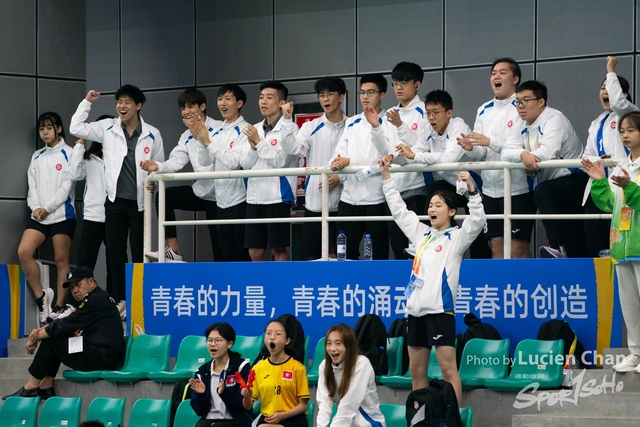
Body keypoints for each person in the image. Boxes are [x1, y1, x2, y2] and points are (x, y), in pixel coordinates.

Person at [379, 157, 485, 406]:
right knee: (417, 374)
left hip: (440, 313)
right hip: (414, 313)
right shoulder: (421, 234)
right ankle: (420, 419)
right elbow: (399, 211)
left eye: (438, 205)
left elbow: (478, 220)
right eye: (430, 205)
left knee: (449, 371)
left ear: (451, 211)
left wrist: (471, 188)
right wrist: (386, 177)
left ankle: (455, 419)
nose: (432, 209)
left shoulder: (457, 239)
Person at [70, 85, 165, 320]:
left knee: (139, 251)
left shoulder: (152, 133)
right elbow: (75, 128)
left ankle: (141, 297)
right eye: (119, 102)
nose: (122, 106)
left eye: (127, 102)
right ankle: (119, 298)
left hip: (139, 202)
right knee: (115, 251)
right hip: (113, 202)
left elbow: (159, 165)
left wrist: (153, 178)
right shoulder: (107, 128)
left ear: (138, 105)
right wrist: (87, 102)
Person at [2, 266, 125, 401]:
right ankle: (46, 385)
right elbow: (65, 322)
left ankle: (31, 386)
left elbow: (66, 324)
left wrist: (36, 337)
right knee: (55, 336)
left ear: (91, 282)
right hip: (99, 354)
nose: (75, 290)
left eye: (78, 285)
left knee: (54, 338)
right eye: (72, 288)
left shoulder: (96, 300)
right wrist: (37, 332)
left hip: (102, 358)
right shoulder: (96, 298)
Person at [397, 90, 491, 259]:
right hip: (451, 184)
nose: (431, 117)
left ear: (449, 113)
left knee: (476, 232)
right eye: (428, 113)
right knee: (435, 189)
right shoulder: (427, 128)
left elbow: (448, 159)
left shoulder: (458, 126)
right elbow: (415, 154)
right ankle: (429, 242)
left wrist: (414, 155)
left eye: (436, 113)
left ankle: (479, 264)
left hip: (473, 184)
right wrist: (401, 156)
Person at [457, 58, 535, 258]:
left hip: (518, 188)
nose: (496, 77)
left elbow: (519, 147)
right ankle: (506, 289)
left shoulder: (521, 107)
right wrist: (469, 148)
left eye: (502, 72)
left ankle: (524, 288)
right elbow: (480, 152)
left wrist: (489, 141)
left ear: (515, 79)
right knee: (497, 247)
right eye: (493, 73)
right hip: (490, 190)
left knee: (518, 247)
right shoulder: (483, 109)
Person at [582, 111, 640, 373]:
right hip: (621, 247)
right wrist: (599, 182)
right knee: (630, 307)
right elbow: (609, 204)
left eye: (631, 130)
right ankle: (636, 354)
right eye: (623, 131)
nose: (626, 135)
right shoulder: (620, 166)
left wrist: (630, 186)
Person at [501, 80, 586, 258]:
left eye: (526, 100)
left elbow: (546, 153)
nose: (520, 106)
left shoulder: (554, 118)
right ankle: (561, 249)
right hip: (553, 187)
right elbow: (505, 152)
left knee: (543, 192)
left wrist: (529, 158)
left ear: (541, 102)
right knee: (574, 238)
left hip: (576, 180)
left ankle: (556, 246)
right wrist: (524, 155)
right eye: (517, 101)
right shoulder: (521, 123)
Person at [140, 88, 223, 262]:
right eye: (183, 108)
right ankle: (174, 250)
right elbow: (176, 160)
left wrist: (201, 137)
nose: (186, 111)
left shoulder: (220, 129)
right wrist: (158, 166)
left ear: (203, 106)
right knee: (166, 196)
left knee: (221, 250)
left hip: (223, 195)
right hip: (201, 191)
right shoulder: (186, 135)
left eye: (190, 106)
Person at [280, 77, 347, 260]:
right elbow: (293, 148)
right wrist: (286, 120)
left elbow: (358, 158)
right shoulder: (311, 126)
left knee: (346, 254)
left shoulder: (352, 126)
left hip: (346, 200)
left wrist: (340, 178)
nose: (325, 99)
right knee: (310, 255)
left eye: (330, 94)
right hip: (316, 201)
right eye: (322, 95)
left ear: (341, 97)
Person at [17, 112, 75, 323]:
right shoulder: (37, 155)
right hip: (39, 215)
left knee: (62, 261)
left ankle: (59, 307)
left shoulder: (70, 153)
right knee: (24, 252)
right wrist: (36, 207)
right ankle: (43, 298)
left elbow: (67, 187)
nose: (45, 132)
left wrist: (48, 208)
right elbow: (32, 185)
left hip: (62, 215)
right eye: (42, 129)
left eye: (49, 128)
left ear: (59, 129)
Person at [330, 74, 391, 260]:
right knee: (345, 253)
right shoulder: (352, 121)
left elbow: (384, 157)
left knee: (377, 253)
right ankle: (348, 287)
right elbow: (340, 152)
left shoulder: (389, 121)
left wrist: (350, 162)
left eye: (370, 92)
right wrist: (337, 163)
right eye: (362, 92)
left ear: (382, 95)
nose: (365, 96)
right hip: (348, 198)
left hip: (376, 198)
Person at [582, 56, 637, 257]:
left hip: (623, 188)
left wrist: (611, 69)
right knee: (595, 242)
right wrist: (597, 159)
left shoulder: (630, 114)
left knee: (621, 236)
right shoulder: (596, 122)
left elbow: (618, 103)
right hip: (599, 188)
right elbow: (586, 154)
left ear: (624, 96)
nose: (605, 92)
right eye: (602, 88)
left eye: (609, 87)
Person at [241, 81, 298, 261]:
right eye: (261, 97)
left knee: (277, 249)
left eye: (269, 97)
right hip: (254, 197)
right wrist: (252, 148)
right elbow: (244, 163)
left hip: (277, 196)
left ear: (281, 103)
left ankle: (282, 286)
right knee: (254, 250)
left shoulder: (290, 128)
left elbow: (280, 160)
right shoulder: (254, 128)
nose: (263, 101)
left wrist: (258, 142)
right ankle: (261, 286)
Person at [381, 62, 430, 259]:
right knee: (398, 248)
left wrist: (401, 128)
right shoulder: (389, 113)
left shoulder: (426, 111)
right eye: (395, 83)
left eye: (404, 82)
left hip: (416, 188)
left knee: (418, 250)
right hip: (393, 188)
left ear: (417, 85)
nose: (398, 87)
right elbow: (383, 146)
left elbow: (422, 147)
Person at [197, 84, 251, 261]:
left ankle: (245, 288)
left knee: (241, 256)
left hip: (240, 200)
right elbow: (204, 161)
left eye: (228, 99)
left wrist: (209, 143)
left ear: (239, 103)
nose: (222, 103)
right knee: (225, 255)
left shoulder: (245, 130)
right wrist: (201, 139)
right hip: (220, 202)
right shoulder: (217, 130)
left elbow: (233, 163)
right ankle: (231, 289)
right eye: (220, 99)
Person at [67, 115, 115, 305]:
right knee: (85, 262)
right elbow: (74, 173)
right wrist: (79, 146)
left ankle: (115, 298)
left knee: (114, 261)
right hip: (93, 215)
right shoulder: (88, 157)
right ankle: (81, 300)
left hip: (114, 215)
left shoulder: (119, 157)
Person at [240, 319, 310, 427]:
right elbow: (248, 406)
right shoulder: (257, 368)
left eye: (278, 334)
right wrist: (247, 396)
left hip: (293, 418)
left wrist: (282, 416)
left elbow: (303, 405)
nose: (272, 337)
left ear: (287, 340)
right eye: (268, 333)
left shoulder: (298, 368)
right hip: (268, 418)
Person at [316, 324, 386, 427]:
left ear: (349, 345)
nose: (332, 349)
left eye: (338, 343)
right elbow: (324, 404)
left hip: (370, 424)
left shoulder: (362, 364)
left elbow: (348, 405)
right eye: (329, 343)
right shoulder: (324, 366)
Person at [190, 323, 255, 427]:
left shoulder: (241, 367)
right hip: (209, 420)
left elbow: (241, 406)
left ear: (229, 344)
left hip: (236, 420)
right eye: (209, 340)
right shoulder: (202, 372)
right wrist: (202, 394)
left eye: (218, 340)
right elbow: (199, 411)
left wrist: (225, 393)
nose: (212, 344)